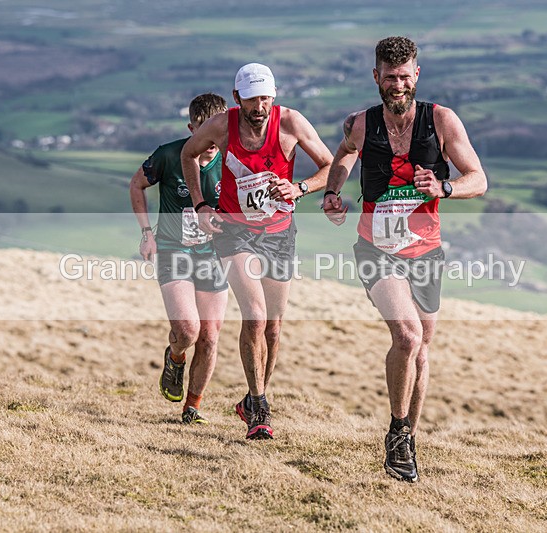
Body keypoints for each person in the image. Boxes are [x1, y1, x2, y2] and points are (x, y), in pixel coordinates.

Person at [323, 37, 487, 482]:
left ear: (417, 75)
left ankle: (408, 440)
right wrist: (334, 194)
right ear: (376, 77)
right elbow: (343, 157)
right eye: (389, 77)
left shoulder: (441, 120)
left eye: (404, 76)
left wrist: (445, 188)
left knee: (422, 347)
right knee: (408, 336)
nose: (398, 84)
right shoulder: (361, 123)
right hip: (376, 248)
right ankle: (396, 433)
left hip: (426, 251)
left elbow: (478, 179)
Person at [181, 63, 333, 440]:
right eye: (252, 99)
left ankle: (253, 400)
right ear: (237, 99)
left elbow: (331, 166)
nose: (259, 106)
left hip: (279, 232)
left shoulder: (292, 123)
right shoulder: (221, 125)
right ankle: (259, 406)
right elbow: (188, 155)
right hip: (233, 232)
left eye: (265, 97)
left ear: (274, 96)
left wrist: (300, 188)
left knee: (274, 326)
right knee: (255, 314)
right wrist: (201, 205)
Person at [129, 93, 229, 425]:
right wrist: (147, 234)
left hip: (214, 256)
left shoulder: (232, 162)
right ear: (192, 128)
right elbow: (136, 185)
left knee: (211, 336)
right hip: (174, 251)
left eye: (218, 131)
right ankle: (175, 357)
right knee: (188, 331)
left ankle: (192, 408)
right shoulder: (170, 155)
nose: (212, 141)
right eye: (204, 130)